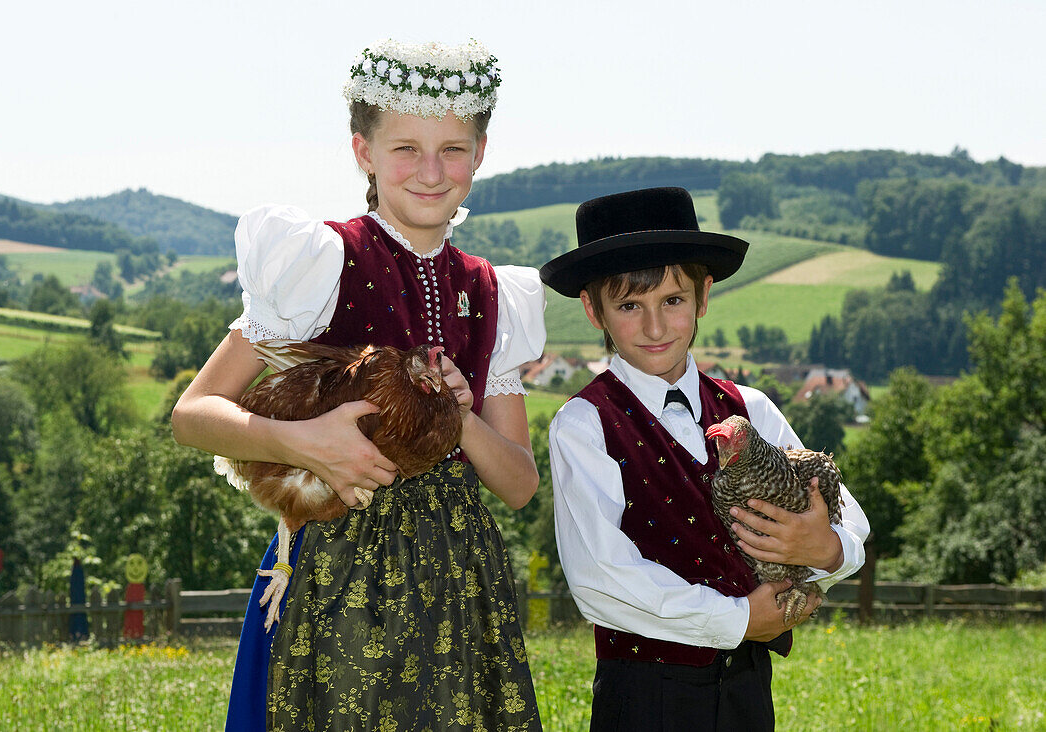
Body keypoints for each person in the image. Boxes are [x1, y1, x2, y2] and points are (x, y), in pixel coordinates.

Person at [172, 39, 544, 731]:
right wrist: (303, 442)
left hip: (458, 577)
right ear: (363, 151)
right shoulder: (319, 262)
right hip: (336, 560)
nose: (431, 171)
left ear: (481, 152)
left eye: (453, 149)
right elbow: (192, 414)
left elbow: (520, 486)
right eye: (405, 148)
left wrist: (460, 420)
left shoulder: (496, 293)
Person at [540, 187, 870, 731]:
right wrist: (740, 618)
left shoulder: (753, 410)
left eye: (672, 300)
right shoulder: (584, 424)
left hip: (747, 688)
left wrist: (827, 549)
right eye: (628, 306)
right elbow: (601, 577)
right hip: (643, 695)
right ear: (592, 308)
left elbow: (848, 520)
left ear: (703, 296)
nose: (654, 327)